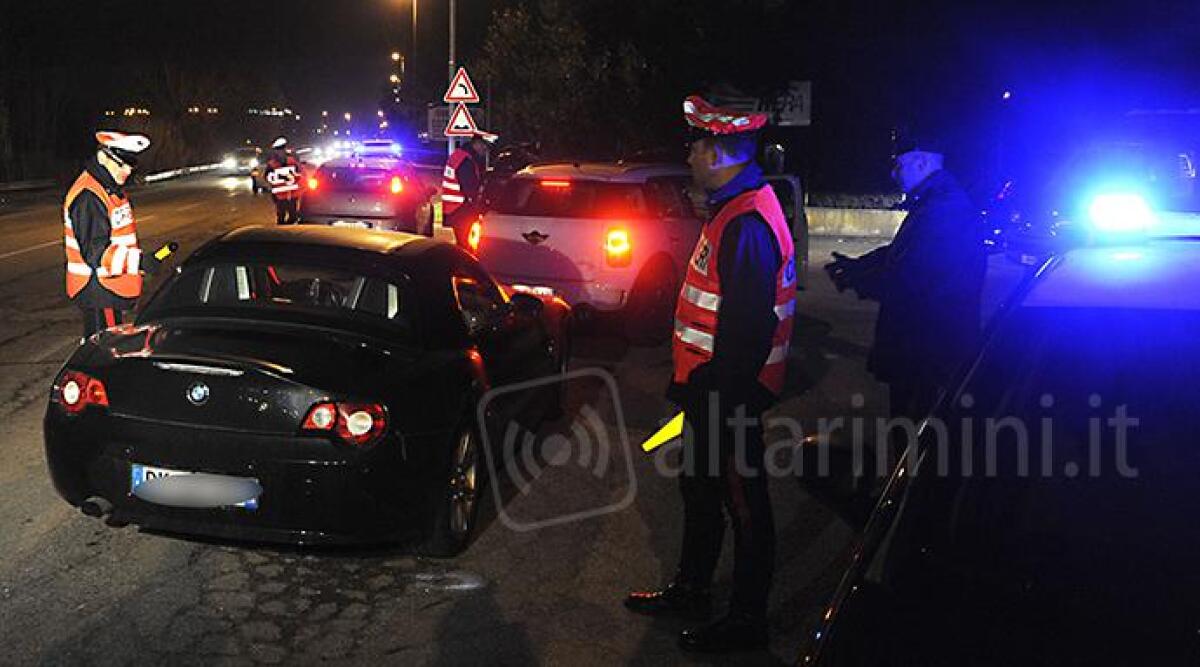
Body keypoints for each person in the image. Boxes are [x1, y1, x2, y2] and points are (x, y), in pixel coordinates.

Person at [624, 95, 797, 654]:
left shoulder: (746, 223)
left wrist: (719, 405)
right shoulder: (732, 208)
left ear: (721, 151)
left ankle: (747, 620)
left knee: (744, 505)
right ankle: (692, 588)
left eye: (697, 145)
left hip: (730, 398)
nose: (691, 155)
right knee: (698, 492)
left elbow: (746, 331)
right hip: (707, 392)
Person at [824, 132, 986, 425]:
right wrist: (858, 266)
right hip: (924, 349)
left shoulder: (944, 209)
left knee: (916, 437)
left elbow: (912, 280)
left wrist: (857, 281)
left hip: (927, 354)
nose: (893, 173)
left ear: (922, 162)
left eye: (899, 165)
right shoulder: (936, 202)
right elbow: (901, 251)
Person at [63, 131, 170, 337]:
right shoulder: (89, 196)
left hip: (107, 288)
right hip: (99, 290)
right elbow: (96, 252)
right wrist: (139, 261)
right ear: (103, 157)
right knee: (104, 355)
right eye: (122, 163)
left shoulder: (108, 188)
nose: (128, 169)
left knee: (106, 352)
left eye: (132, 163)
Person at [441, 129, 497, 248]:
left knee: (462, 244)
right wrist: (482, 206)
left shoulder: (459, 155)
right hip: (461, 209)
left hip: (453, 209)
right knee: (467, 246)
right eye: (484, 146)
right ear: (477, 143)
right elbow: (471, 189)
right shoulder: (466, 161)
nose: (485, 150)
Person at [264, 136, 303, 224]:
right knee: (293, 216)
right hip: (291, 194)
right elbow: (299, 174)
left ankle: (282, 233)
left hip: (279, 195)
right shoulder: (292, 161)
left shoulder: (272, 164)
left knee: (281, 216)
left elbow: (267, 177)